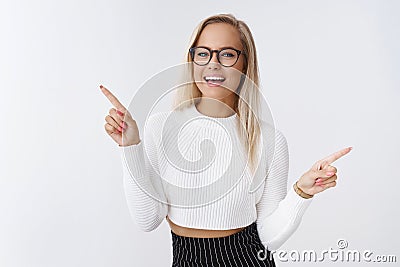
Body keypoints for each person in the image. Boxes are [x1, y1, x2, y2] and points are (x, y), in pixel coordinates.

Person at [101, 13, 352, 267]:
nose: (213, 64)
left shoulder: (270, 140)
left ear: (245, 63)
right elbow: (148, 220)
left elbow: (267, 238)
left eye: (227, 54)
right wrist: (130, 147)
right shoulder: (160, 127)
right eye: (203, 53)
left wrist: (302, 192)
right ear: (192, 59)